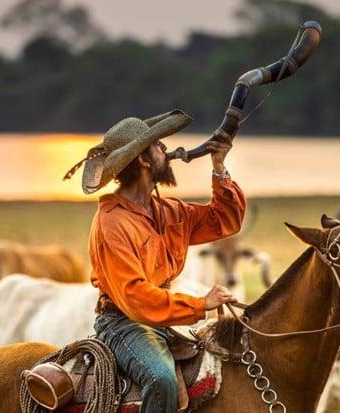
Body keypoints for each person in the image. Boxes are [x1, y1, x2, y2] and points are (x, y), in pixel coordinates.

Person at [63, 109, 246, 412]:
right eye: (158, 146)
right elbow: (136, 297)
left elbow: (224, 220)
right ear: (144, 161)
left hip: (161, 317)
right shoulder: (111, 224)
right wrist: (200, 305)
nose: (165, 149)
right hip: (124, 322)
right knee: (161, 379)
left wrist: (219, 166)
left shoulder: (168, 210)